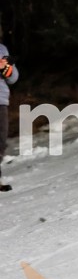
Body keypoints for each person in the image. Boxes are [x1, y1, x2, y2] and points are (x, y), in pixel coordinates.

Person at [0, 43, 19, 192]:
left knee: (1, 141)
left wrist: (7, 69)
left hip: (1, 101)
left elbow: (13, 78)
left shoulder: (2, 49)